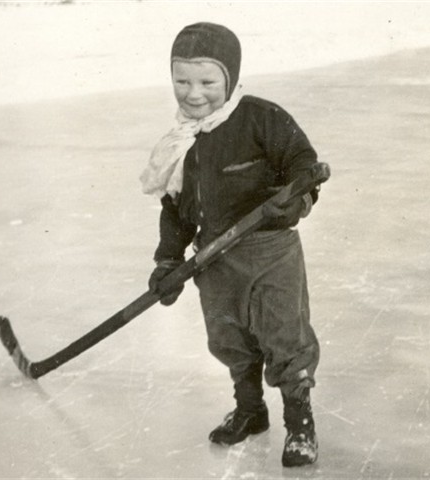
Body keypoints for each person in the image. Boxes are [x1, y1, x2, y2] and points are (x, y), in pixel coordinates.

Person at [140, 22, 324, 468]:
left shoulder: (261, 117)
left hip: (269, 254)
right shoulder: (182, 142)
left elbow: (304, 164)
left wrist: (294, 199)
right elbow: (175, 207)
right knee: (229, 338)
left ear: (231, 77)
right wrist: (168, 261)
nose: (193, 93)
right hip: (214, 260)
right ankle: (250, 409)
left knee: (284, 337)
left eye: (207, 81)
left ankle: (300, 425)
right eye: (181, 80)